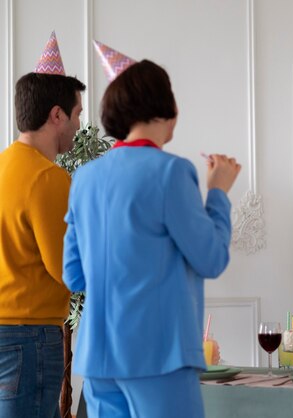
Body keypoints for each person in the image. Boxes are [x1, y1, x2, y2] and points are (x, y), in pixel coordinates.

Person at [62, 60, 240, 418]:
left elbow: (74, 275)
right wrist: (218, 193)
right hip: (159, 355)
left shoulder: (85, 178)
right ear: (168, 108)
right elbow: (211, 258)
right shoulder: (172, 172)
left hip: (98, 359)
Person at [0, 71, 85, 417]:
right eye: (77, 113)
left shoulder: (4, 166)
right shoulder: (49, 178)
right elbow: (67, 269)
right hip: (30, 338)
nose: (79, 125)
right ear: (56, 115)